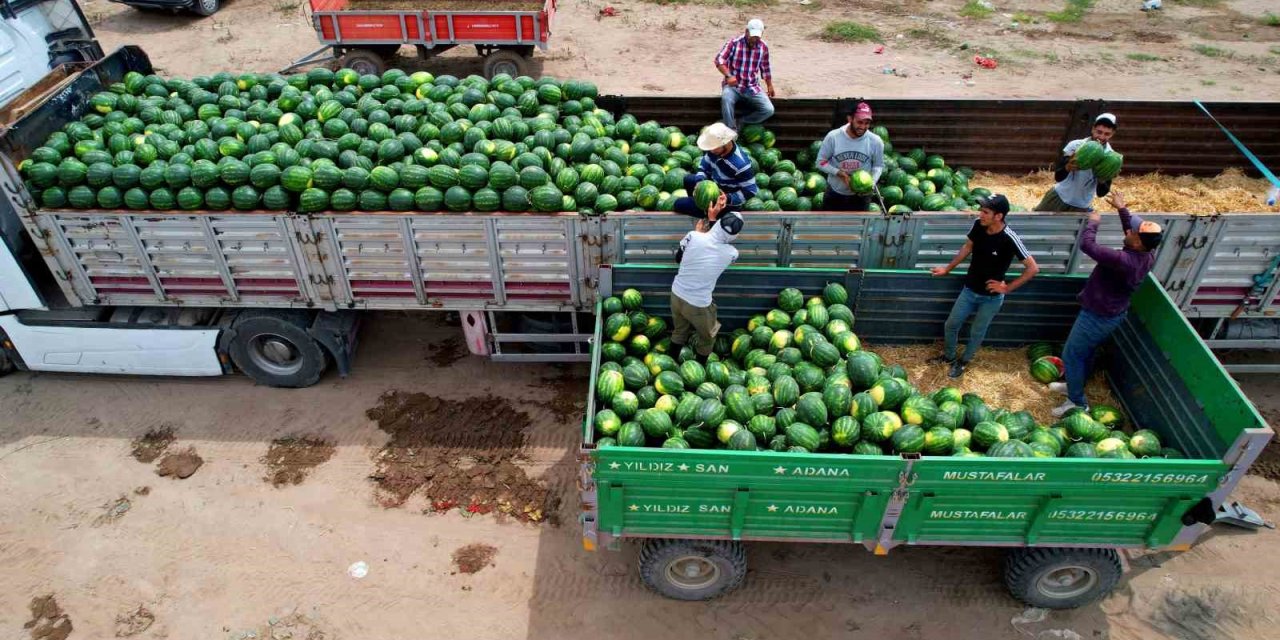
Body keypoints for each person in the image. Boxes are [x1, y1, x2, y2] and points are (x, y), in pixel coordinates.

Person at [1051, 191, 1163, 417]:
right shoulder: (1145, 253)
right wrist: (1122, 209)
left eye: (1132, 231)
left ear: (1139, 242)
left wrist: (1093, 223)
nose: (1128, 230)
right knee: (1086, 353)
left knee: (1072, 354)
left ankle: (1078, 403)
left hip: (1097, 316)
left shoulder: (1124, 260)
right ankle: (1074, 385)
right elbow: (1130, 232)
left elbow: (1087, 245)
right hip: (1108, 314)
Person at [928, 194, 1040, 378]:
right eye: (981, 210)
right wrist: (948, 268)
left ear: (999, 216)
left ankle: (963, 362)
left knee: (977, 331)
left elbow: (1033, 268)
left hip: (991, 298)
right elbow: (967, 247)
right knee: (951, 324)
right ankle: (949, 357)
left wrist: (1006, 288)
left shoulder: (1009, 237)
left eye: (985, 211)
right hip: (969, 290)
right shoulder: (978, 226)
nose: (980, 214)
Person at [670, 208, 744, 357]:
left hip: (676, 294)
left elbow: (678, 258)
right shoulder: (732, 253)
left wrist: (701, 231)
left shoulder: (693, 235)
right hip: (698, 304)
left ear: (718, 223)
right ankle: (701, 370)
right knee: (708, 337)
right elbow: (718, 245)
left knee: (679, 331)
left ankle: (671, 362)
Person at [1035, 113, 1118, 212]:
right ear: (1092, 129)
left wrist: (1102, 179)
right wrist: (1067, 167)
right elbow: (1058, 177)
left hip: (1081, 206)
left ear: (1112, 134)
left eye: (1107, 134)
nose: (1101, 137)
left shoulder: (1110, 157)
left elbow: (1101, 193)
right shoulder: (1075, 145)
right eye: (1099, 132)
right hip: (1058, 197)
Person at [674, 122, 757, 220]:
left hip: (724, 203)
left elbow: (751, 190)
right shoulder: (715, 151)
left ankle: (708, 214)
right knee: (688, 179)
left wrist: (727, 198)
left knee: (678, 204)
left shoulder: (740, 165)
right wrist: (699, 182)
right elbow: (704, 165)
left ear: (724, 143)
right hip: (716, 186)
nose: (711, 151)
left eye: (713, 148)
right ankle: (701, 205)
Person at [815, 102, 885, 211]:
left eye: (867, 123)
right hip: (835, 192)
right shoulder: (833, 137)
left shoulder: (875, 141)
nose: (862, 127)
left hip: (861, 196)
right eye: (859, 122)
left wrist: (871, 182)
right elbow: (820, 162)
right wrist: (840, 173)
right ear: (850, 119)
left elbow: (878, 166)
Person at [715, 18, 775, 131]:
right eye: (752, 36)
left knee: (768, 110)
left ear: (762, 33)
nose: (755, 39)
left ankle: (741, 121)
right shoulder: (734, 43)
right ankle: (730, 129)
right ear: (746, 31)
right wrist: (728, 76)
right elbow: (719, 60)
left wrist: (769, 85)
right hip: (733, 87)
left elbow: (765, 68)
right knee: (726, 99)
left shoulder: (763, 47)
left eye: (757, 36)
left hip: (752, 87)